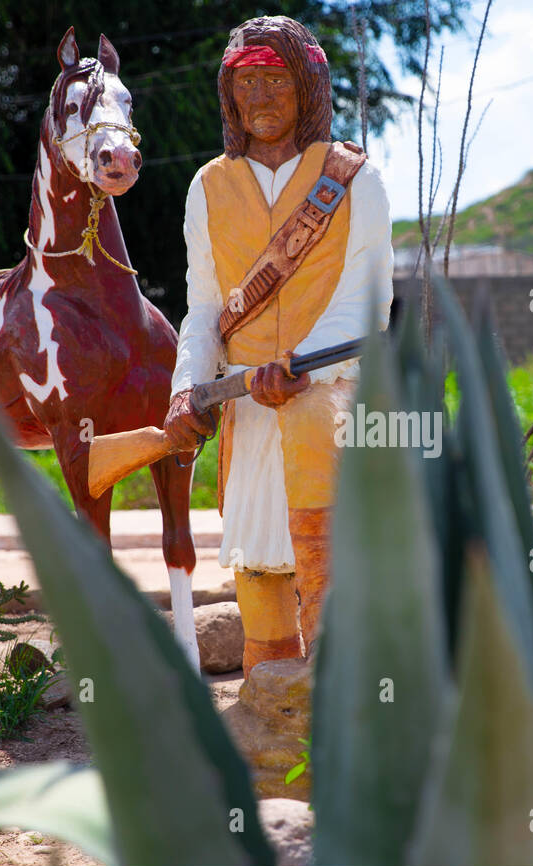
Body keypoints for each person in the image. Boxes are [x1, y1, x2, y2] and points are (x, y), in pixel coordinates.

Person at [163, 15, 392, 677]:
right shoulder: (207, 187)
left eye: (276, 80)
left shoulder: (354, 179)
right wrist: (187, 384)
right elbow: (203, 305)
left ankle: (344, 708)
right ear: (229, 95)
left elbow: (368, 298)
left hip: (330, 401)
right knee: (259, 567)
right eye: (247, 82)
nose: (261, 97)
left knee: (332, 560)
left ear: (308, 88)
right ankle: (269, 715)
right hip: (248, 408)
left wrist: (301, 369)